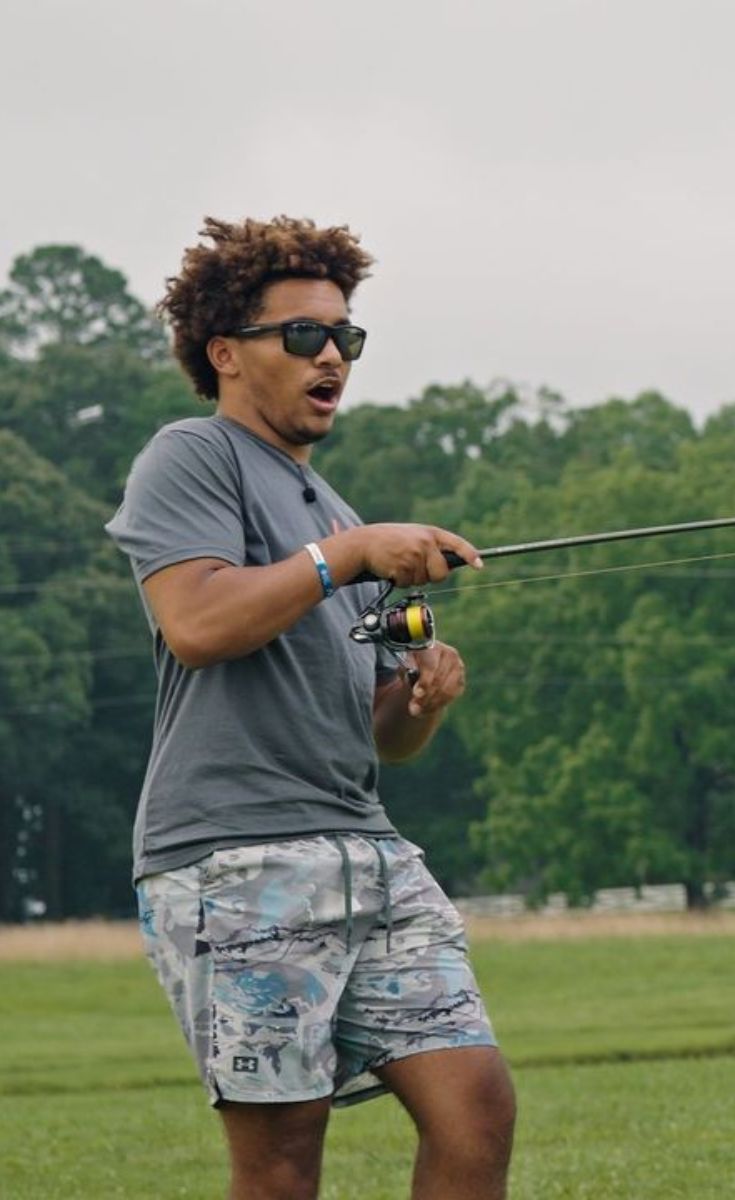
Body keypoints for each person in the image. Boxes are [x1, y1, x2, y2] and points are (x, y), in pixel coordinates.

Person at [106, 216, 515, 1200]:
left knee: (478, 1105)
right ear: (226, 355)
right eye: (303, 336)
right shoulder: (192, 459)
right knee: (283, 1162)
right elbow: (197, 622)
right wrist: (350, 559)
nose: (332, 354)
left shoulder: (333, 512)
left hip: (365, 847)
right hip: (233, 857)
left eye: (345, 337)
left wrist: (423, 698)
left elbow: (387, 735)